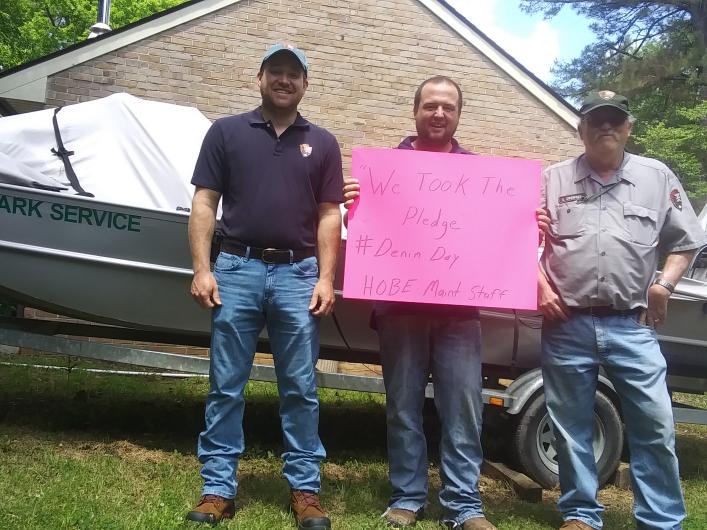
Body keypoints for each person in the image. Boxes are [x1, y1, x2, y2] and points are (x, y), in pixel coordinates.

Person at [186, 43, 343, 529]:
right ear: (259, 78)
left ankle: (305, 492)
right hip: (236, 268)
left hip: (298, 276)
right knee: (226, 384)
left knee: (300, 386)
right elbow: (205, 203)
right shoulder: (226, 132)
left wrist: (326, 277)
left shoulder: (323, 142)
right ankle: (217, 490)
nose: (283, 80)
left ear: (305, 84)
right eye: (275, 72)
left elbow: (329, 214)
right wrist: (201, 268)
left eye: (293, 74)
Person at [536, 90, 705, 530]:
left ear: (629, 127)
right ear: (582, 129)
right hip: (566, 323)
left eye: (615, 120)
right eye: (596, 120)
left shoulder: (656, 176)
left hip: (633, 325)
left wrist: (664, 285)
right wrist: (538, 285)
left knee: (654, 425)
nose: (606, 127)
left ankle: (661, 520)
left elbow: (687, 240)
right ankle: (580, 514)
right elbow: (518, 240)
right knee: (571, 428)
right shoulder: (552, 179)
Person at [343, 76, 496, 530]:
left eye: (448, 107)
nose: (439, 114)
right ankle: (407, 497)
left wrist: (530, 222)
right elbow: (366, 235)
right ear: (415, 112)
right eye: (430, 106)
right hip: (400, 312)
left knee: (463, 408)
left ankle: (464, 505)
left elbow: (495, 238)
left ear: (458, 114)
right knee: (403, 406)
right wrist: (353, 205)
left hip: (459, 315)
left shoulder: (481, 176)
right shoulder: (384, 170)